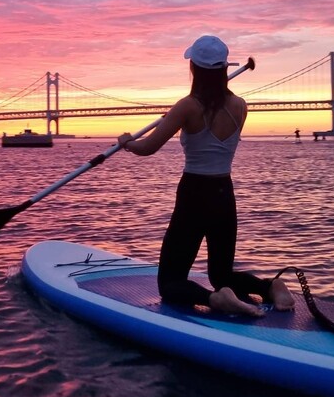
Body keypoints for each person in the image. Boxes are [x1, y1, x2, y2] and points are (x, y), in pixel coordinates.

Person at [117, 35, 295, 317]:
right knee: (221, 275)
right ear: (224, 69)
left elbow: (148, 147)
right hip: (224, 193)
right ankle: (269, 286)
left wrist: (126, 142)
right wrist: (175, 116)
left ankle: (216, 300)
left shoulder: (187, 106)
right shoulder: (240, 105)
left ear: (194, 69)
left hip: (194, 194)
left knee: (170, 282)